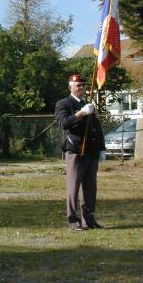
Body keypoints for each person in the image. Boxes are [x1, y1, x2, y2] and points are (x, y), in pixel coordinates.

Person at [55, 73, 105, 231]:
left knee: (90, 187)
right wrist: (81, 113)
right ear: (70, 86)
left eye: (83, 85)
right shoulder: (64, 103)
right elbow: (64, 123)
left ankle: (88, 220)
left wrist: (102, 148)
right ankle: (73, 221)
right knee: (73, 187)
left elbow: (97, 128)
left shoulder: (88, 103)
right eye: (78, 85)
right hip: (76, 150)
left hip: (91, 151)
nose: (82, 88)